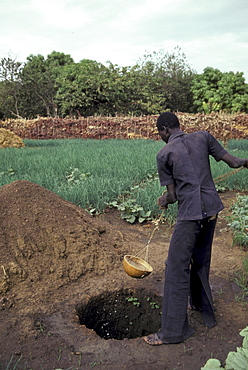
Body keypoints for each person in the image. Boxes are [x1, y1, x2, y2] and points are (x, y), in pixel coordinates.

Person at [143, 112, 248, 345]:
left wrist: (163, 201)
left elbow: (172, 196)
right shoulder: (203, 137)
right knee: (200, 260)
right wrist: (246, 163)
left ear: (164, 130)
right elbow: (234, 162)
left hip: (190, 215)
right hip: (211, 210)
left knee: (175, 267)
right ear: (179, 126)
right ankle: (201, 308)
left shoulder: (164, 154)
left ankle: (173, 332)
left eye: (160, 133)